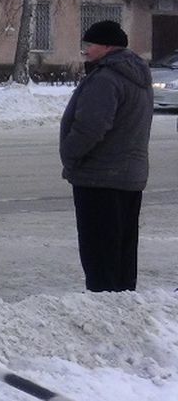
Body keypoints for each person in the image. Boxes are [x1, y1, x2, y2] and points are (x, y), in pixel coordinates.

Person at [59, 20, 152, 292]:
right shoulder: (137, 76)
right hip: (128, 177)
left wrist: (70, 155)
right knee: (122, 251)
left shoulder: (106, 78)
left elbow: (90, 127)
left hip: (99, 178)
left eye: (90, 45)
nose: (85, 50)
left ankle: (104, 306)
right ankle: (122, 308)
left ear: (108, 46)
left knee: (99, 253)